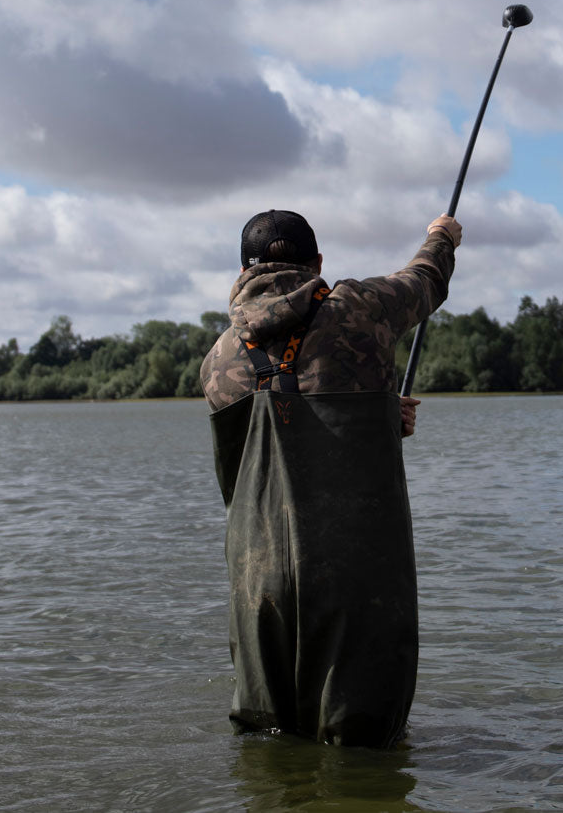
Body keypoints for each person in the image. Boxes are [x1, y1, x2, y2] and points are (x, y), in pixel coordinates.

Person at [200, 207, 460, 747]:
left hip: (257, 581)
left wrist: (383, 418)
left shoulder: (218, 360)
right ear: (317, 262)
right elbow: (426, 280)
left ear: (242, 271)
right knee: (361, 747)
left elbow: (252, 475)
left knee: (269, 741)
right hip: (353, 577)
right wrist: (441, 236)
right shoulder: (356, 310)